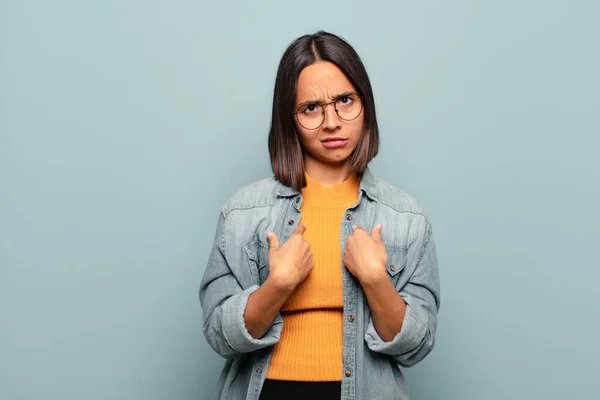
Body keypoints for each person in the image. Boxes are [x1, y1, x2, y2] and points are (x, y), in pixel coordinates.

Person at [199, 31, 440, 400]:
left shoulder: (405, 216)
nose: (331, 121)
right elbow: (219, 333)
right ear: (290, 118)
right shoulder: (243, 211)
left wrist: (376, 280)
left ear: (365, 104)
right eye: (311, 107)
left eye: (345, 100)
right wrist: (277, 285)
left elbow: (415, 346)